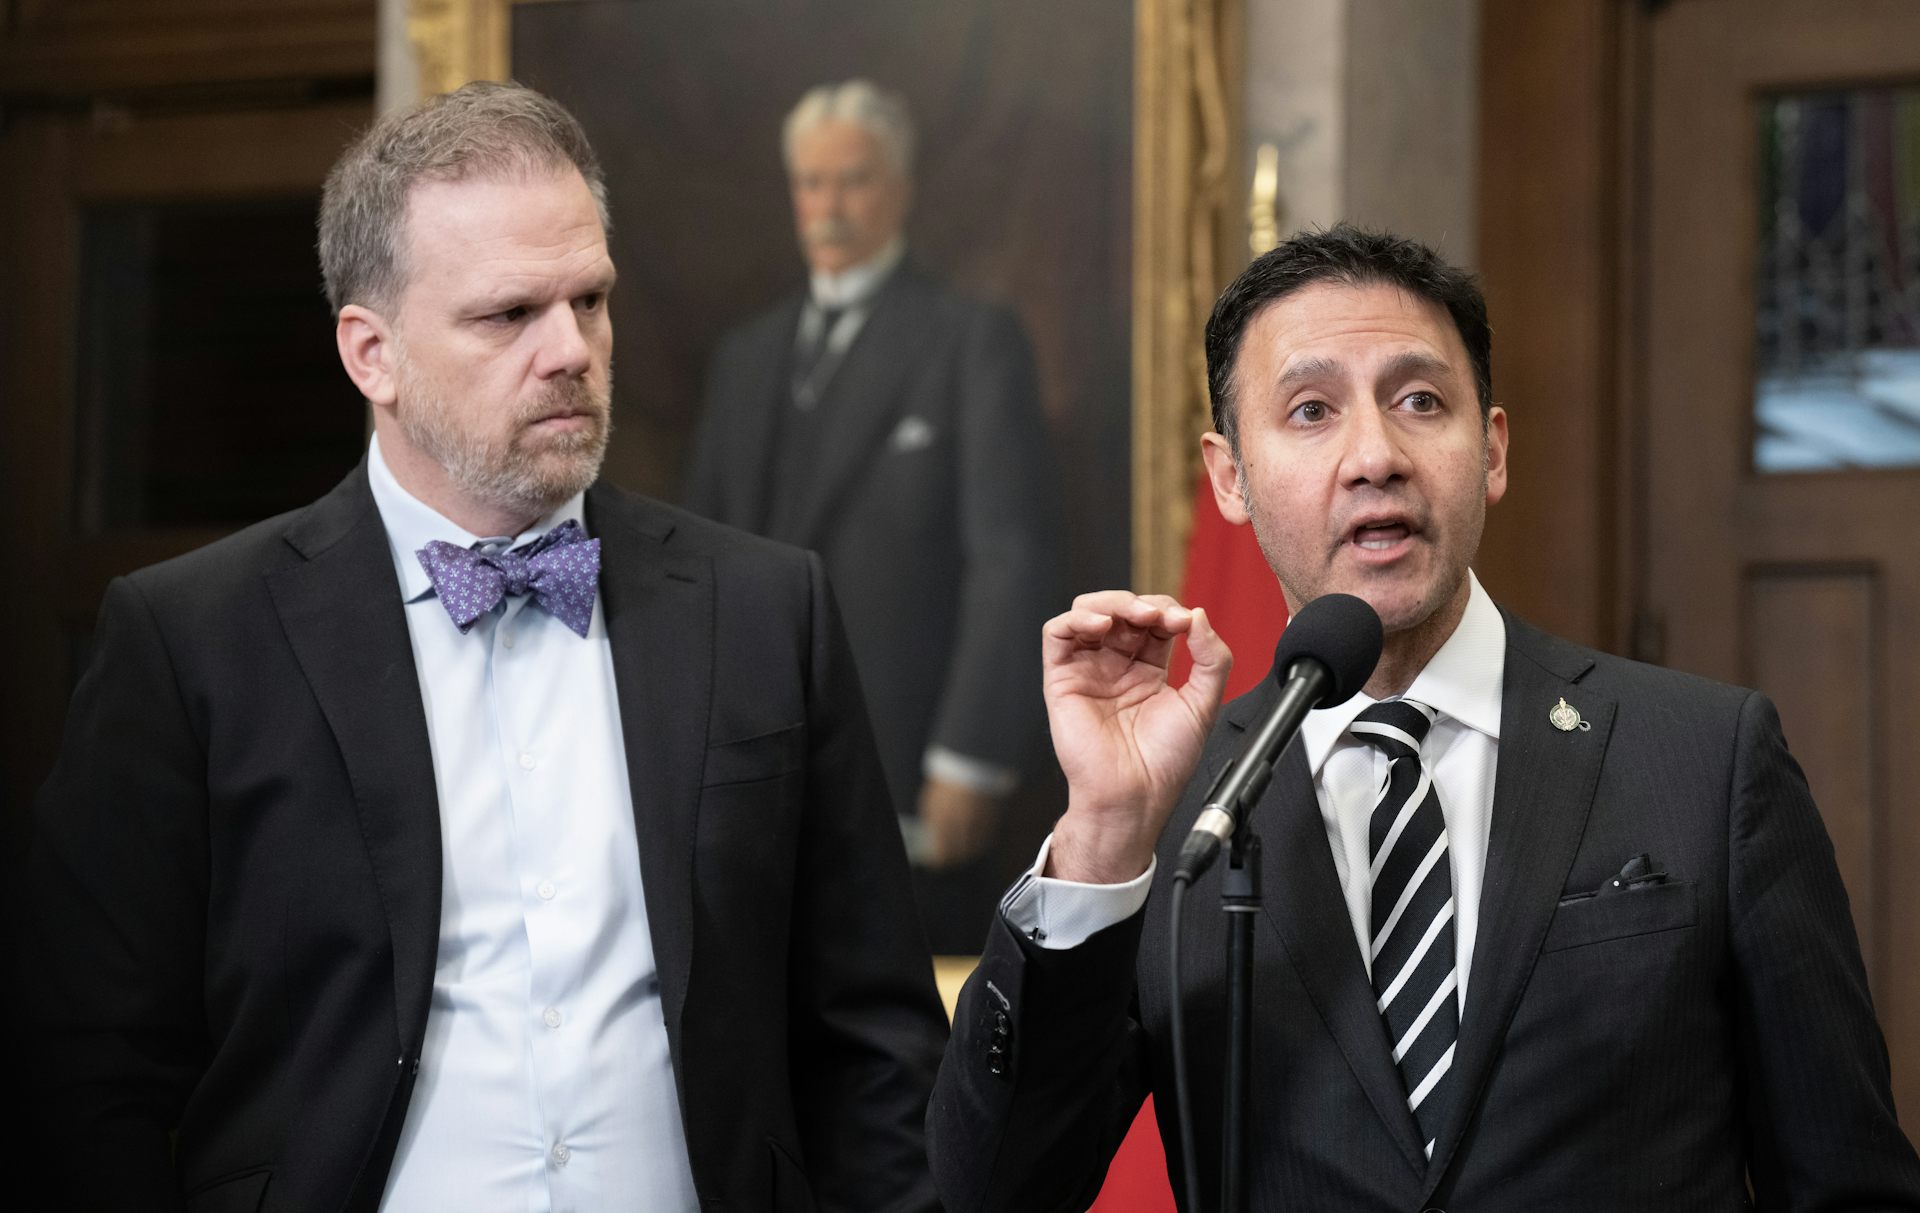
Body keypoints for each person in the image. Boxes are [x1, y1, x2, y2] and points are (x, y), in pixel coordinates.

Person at [18, 81, 946, 1213]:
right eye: (510, 315)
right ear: (373, 354)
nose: (571, 349)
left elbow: (873, 1042)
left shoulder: (765, 607)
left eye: (591, 300)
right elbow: (88, 1070)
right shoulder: (189, 641)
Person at [929, 225, 1920, 1210]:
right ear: (1228, 476)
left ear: (1489, 450)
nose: (1376, 455)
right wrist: (1103, 836)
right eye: (1311, 410)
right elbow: (996, 1191)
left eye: (1419, 402)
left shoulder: (1704, 760)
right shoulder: (1175, 824)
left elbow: (1846, 1182)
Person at [683, 80, 1062, 935]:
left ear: (901, 186)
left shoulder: (970, 340)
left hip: (907, 765)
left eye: (852, 180)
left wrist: (972, 754)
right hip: (755, 762)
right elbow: (695, 558)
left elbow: (1009, 559)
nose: (829, 205)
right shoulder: (747, 358)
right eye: (811, 183)